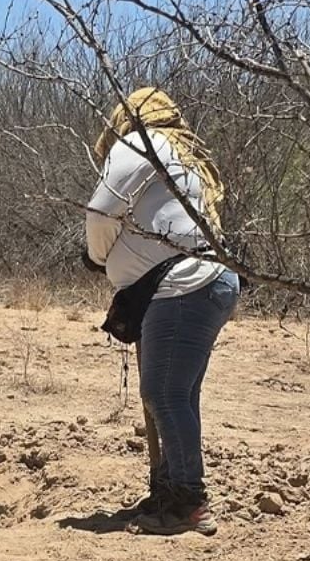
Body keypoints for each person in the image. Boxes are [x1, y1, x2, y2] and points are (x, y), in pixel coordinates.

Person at [86, 87, 240, 536]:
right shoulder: (183, 152)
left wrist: (98, 257)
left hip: (182, 287)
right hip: (202, 283)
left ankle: (187, 503)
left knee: (164, 394)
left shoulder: (141, 143)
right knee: (178, 395)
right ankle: (168, 492)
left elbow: (101, 213)